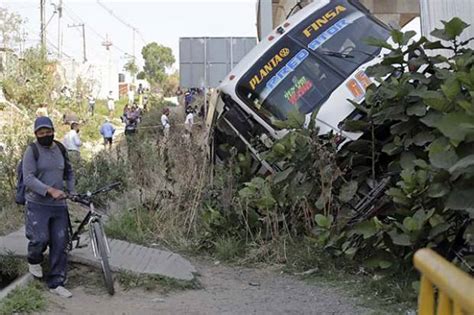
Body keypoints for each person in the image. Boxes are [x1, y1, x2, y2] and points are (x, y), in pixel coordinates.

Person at [23, 116, 75, 298]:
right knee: (40, 239)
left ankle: (56, 282)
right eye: (41, 132)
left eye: (48, 131)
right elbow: (28, 178)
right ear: (36, 134)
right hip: (37, 205)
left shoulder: (60, 148)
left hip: (59, 206)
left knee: (60, 243)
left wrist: (71, 190)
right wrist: (49, 190)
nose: (45, 135)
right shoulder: (32, 151)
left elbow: (69, 172)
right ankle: (34, 259)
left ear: (53, 131)